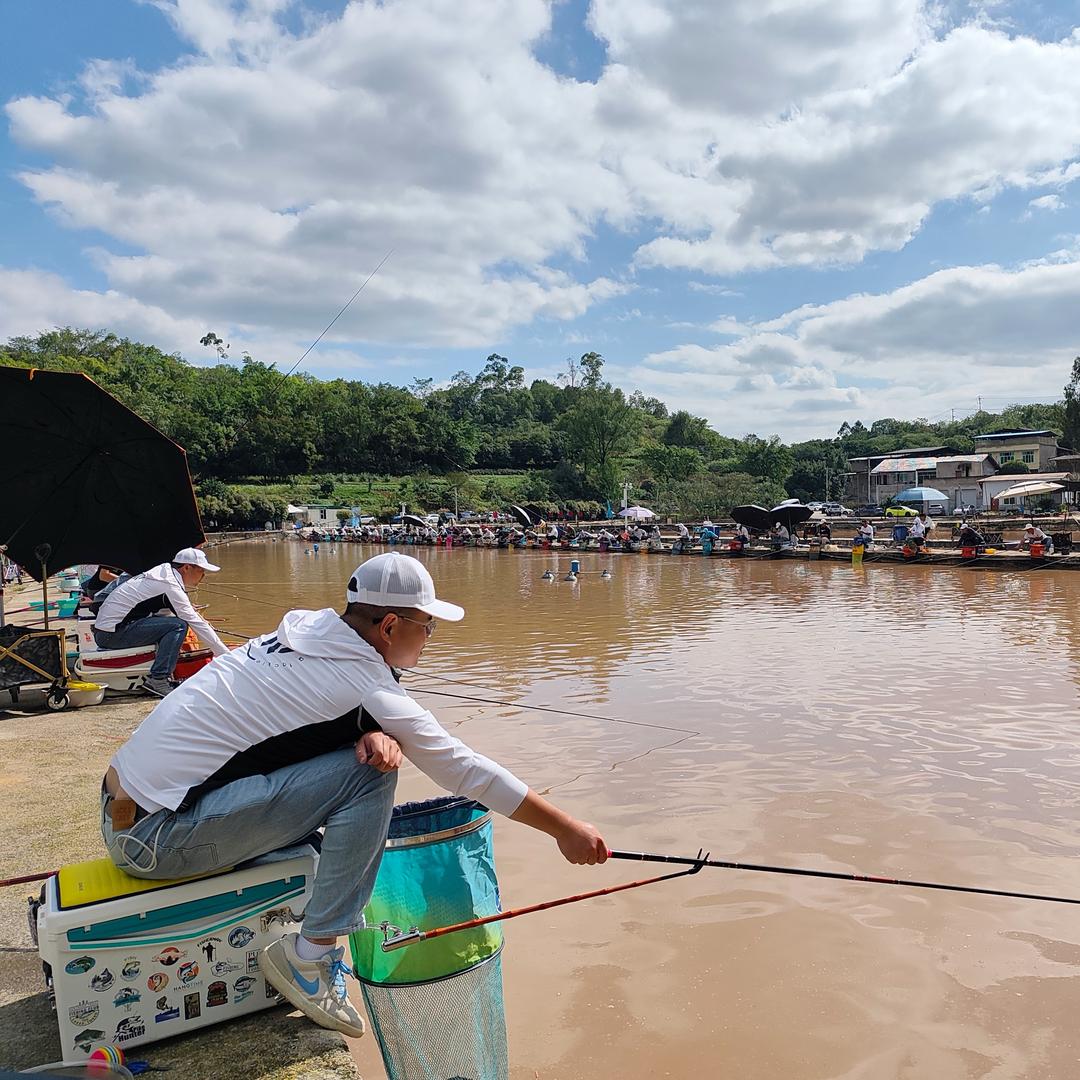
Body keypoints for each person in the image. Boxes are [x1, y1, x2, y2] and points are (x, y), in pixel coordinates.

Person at [99, 552, 606, 1040]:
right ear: (390, 626)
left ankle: (297, 902)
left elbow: (292, 726)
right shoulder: (367, 684)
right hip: (158, 838)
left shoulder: (302, 631)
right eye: (427, 627)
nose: (429, 638)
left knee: (369, 754)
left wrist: (368, 731)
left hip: (123, 809)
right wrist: (565, 829)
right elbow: (466, 770)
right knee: (371, 773)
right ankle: (310, 958)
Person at [93, 547, 229, 697]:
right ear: (186, 568)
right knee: (178, 626)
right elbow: (194, 621)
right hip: (111, 634)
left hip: (108, 631)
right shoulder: (169, 583)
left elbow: (183, 615)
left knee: (173, 623)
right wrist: (225, 655)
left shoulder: (164, 575)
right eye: (201, 570)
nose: (203, 576)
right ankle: (158, 679)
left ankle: (163, 676)